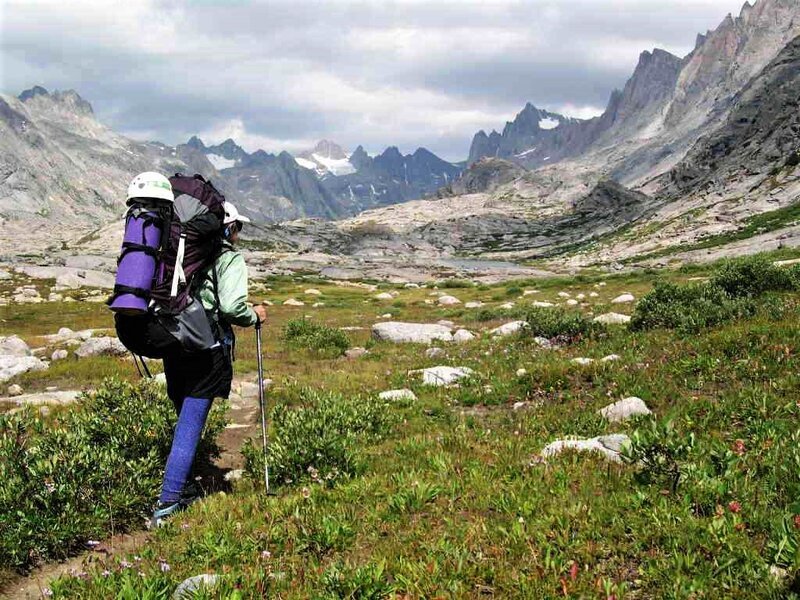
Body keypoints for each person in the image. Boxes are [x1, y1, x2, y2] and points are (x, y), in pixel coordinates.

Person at [151, 201, 267, 528]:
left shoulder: (180, 255)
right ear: (228, 228)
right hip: (207, 347)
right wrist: (253, 315)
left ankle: (183, 485)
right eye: (238, 227)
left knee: (182, 414)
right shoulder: (228, 257)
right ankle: (168, 504)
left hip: (175, 342)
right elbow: (231, 306)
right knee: (191, 422)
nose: (239, 233)